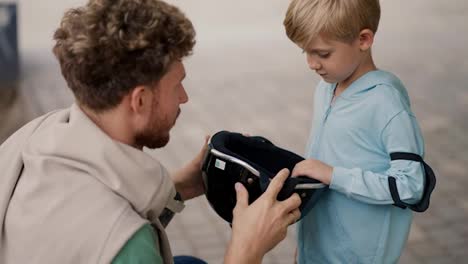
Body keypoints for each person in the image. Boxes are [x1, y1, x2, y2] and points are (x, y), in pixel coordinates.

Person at [0, 0, 301, 263]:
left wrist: (184, 184)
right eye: (176, 85)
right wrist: (247, 250)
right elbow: (119, 236)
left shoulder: (37, 134)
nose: (184, 97)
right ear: (140, 100)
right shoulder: (126, 245)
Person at [283, 0, 427, 263]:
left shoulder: (386, 104)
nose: (311, 64)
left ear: (363, 39)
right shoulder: (325, 89)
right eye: (305, 52)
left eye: (323, 54)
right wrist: (304, 247)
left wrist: (334, 175)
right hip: (315, 250)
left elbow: (411, 185)